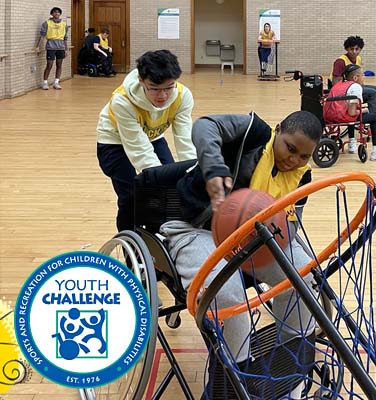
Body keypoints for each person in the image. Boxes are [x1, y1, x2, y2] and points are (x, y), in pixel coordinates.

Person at [159, 110, 322, 398]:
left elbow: (293, 225)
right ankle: (229, 387)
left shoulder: (301, 176)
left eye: (303, 156)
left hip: (257, 240)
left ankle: (290, 375)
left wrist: (280, 229)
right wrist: (214, 168)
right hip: (198, 229)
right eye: (290, 148)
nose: (293, 159)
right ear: (277, 130)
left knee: (302, 280)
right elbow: (204, 125)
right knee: (229, 299)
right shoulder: (252, 132)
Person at [96, 49, 196, 231]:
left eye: (168, 87)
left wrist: (194, 174)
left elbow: (185, 140)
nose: (163, 96)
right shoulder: (122, 101)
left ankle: (162, 235)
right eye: (155, 89)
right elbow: (139, 150)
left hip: (153, 136)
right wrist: (158, 182)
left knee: (173, 185)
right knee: (132, 195)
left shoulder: (183, 96)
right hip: (114, 142)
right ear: (141, 81)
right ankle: (130, 244)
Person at [324, 64, 376, 162]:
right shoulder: (356, 87)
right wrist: (366, 110)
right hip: (343, 116)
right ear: (355, 77)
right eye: (362, 75)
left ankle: (352, 143)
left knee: (356, 114)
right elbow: (352, 113)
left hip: (331, 115)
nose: (364, 76)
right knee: (373, 117)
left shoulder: (340, 84)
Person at [329, 35, 376, 134]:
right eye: (351, 49)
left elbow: (358, 77)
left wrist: (360, 87)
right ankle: (373, 123)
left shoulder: (358, 59)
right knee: (372, 93)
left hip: (354, 87)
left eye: (357, 49)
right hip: (343, 90)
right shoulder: (340, 62)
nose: (354, 51)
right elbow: (336, 83)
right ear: (347, 49)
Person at [34, 7, 68, 90]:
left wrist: (66, 49)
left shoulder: (64, 24)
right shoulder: (46, 23)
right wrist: (37, 46)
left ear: (60, 14)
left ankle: (56, 82)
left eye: (58, 12)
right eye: (55, 12)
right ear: (52, 14)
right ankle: (45, 83)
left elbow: (65, 37)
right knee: (49, 65)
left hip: (61, 47)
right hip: (51, 46)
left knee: (59, 65)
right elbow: (42, 36)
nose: (56, 13)